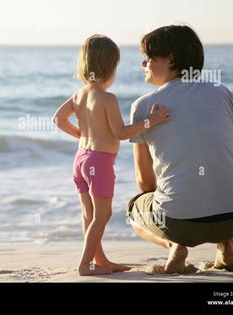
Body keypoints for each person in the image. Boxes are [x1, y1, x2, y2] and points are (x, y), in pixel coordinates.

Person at [127, 25, 233, 273]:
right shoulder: (221, 92)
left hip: (178, 223)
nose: (143, 64)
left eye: (148, 57)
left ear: (170, 58)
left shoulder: (144, 106)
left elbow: (145, 182)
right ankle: (226, 245)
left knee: (133, 210)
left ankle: (175, 246)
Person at [53, 34, 170, 276]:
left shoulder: (79, 94)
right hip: (99, 162)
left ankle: (101, 260)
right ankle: (85, 265)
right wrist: (151, 121)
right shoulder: (108, 98)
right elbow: (121, 133)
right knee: (103, 214)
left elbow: (58, 119)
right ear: (110, 67)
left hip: (81, 159)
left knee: (89, 214)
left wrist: (84, 136)